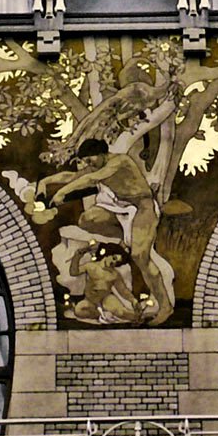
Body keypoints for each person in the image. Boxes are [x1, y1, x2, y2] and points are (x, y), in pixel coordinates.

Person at [37, 138, 176, 323]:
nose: (89, 164)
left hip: (142, 207)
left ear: (102, 154)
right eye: (86, 161)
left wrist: (62, 193)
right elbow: (72, 177)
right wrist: (45, 182)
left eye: (90, 159)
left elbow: (91, 179)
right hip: (120, 207)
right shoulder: (97, 165)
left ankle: (165, 307)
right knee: (87, 220)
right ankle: (125, 238)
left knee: (139, 256)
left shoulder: (120, 161)